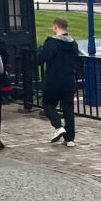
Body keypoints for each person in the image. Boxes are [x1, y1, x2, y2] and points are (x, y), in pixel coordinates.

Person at [38, 17, 79, 147]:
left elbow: (41, 59)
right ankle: (70, 138)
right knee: (68, 108)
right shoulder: (73, 43)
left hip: (54, 79)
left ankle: (58, 125)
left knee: (48, 104)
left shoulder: (51, 42)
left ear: (55, 27)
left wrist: (39, 51)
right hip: (69, 79)